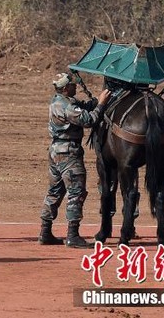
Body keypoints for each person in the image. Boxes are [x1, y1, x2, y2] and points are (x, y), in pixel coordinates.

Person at [39, 73, 110, 248]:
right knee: (76, 192)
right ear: (65, 88)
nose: (75, 87)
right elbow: (89, 120)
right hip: (68, 153)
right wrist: (101, 104)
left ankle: (45, 232)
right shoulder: (67, 106)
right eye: (72, 85)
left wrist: (94, 102)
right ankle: (73, 235)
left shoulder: (57, 100)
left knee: (55, 191)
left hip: (55, 151)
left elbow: (83, 106)